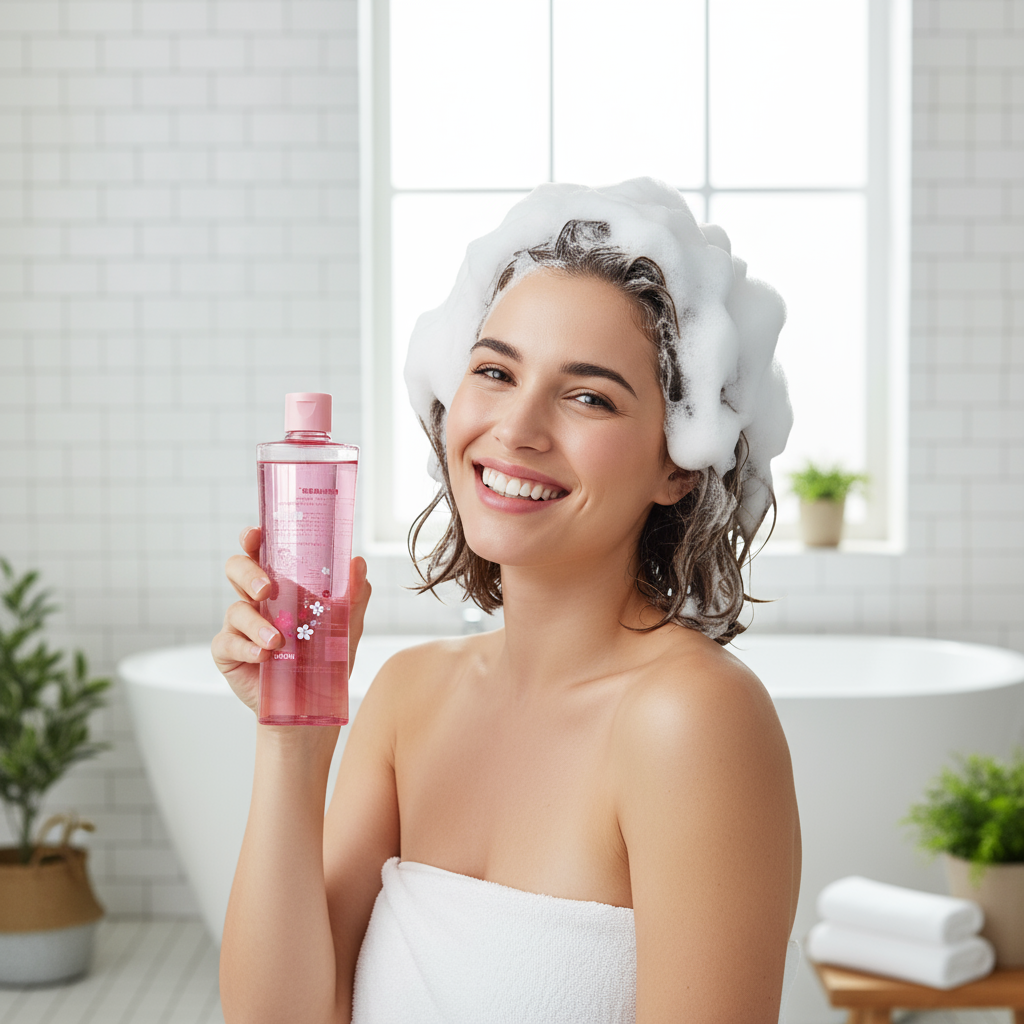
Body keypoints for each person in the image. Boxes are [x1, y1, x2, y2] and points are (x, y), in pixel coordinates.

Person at [214, 179, 801, 1024]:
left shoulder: (691, 721)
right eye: (495, 371)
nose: (516, 429)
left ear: (679, 462)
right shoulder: (409, 698)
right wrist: (291, 733)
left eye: (588, 394)